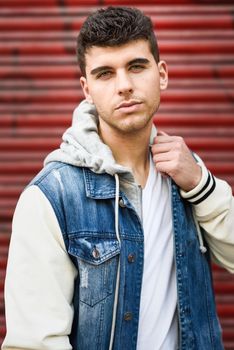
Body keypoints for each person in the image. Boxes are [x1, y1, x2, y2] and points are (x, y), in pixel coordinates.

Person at [2, 6, 234, 350]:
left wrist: (202, 185)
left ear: (162, 74)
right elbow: (35, 342)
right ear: (86, 88)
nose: (124, 86)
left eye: (136, 67)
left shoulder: (187, 173)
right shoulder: (51, 197)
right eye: (105, 73)